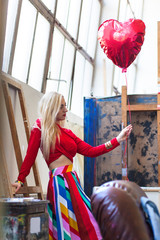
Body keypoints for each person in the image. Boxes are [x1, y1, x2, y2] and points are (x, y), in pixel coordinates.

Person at [12, 92, 132, 240]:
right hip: (59, 184)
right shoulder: (41, 128)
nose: (65, 110)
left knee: (87, 219)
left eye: (65, 106)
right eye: (61, 106)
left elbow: (91, 151)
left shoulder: (68, 133)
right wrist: (20, 179)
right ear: (52, 107)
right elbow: (30, 156)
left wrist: (117, 139)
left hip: (73, 181)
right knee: (65, 225)